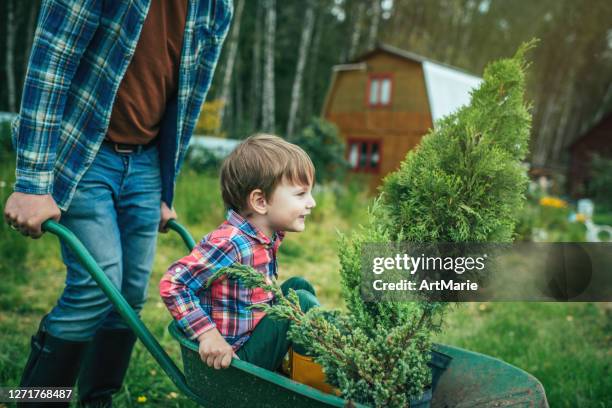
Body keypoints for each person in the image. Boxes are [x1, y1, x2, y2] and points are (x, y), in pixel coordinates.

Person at [2, 1, 232, 406]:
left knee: (127, 296)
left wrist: (165, 187)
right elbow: (52, 56)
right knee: (94, 286)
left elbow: (189, 96)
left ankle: (97, 401)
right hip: (85, 153)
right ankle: (35, 401)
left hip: (146, 161)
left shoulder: (216, 6)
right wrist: (33, 181)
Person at [160, 134, 320, 371]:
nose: (312, 202)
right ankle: (314, 375)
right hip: (235, 359)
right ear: (260, 201)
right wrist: (208, 335)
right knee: (303, 303)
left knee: (299, 287)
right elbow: (173, 283)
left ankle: (299, 364)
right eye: (301, 194)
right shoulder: (232, 242)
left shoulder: (264, 236)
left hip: (251, 335)